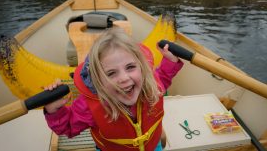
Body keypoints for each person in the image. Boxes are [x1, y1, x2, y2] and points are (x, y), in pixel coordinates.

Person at [44, 28, 183, 151]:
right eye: (110, 73)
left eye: (130, 67)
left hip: (153, 145)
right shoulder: (89, 106)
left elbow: (162, 78)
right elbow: (67, 127)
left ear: (142, 67)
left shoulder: (150, 83)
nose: (123, 78)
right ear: (98, 79)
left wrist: (171, 61)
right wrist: (54, 110)